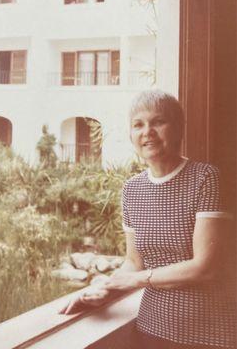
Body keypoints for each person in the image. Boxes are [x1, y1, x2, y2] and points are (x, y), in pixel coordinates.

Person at [60, 90, 236, 349]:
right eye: (138, 125)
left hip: (211, 334)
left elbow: (205, 267)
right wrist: (106, 290)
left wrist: (136, 279)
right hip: (151, 331)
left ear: (178, 128)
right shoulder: (131, 190)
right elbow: (134, 262)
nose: (147, 132)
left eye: (158, 122)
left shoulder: (206, 178)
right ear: (131, 134)